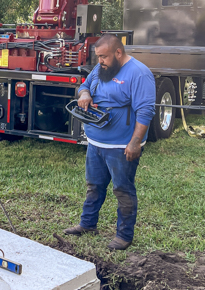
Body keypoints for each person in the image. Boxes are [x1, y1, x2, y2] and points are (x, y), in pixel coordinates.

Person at [64, 34, 156, 250]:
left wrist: (135, 142)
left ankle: (124, 236)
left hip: (121, 145)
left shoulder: (139, 74)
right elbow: (85, 84)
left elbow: (145, 111)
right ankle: (87, 224)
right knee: (94, 186)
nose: (100, 62)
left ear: (118, 52)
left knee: (122, 189)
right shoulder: (102, 69)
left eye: (103, 57)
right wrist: (84, 94)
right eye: (98, 57)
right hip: (96, 142)